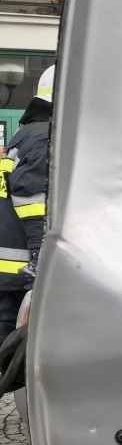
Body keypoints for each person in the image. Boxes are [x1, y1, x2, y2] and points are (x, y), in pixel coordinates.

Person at [0, 65, 53, 347]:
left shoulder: (27, 133)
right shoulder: (46, 136)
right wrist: (41, 251)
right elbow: (32, 197)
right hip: (21, 262)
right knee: (14, 345)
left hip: (10, 259)